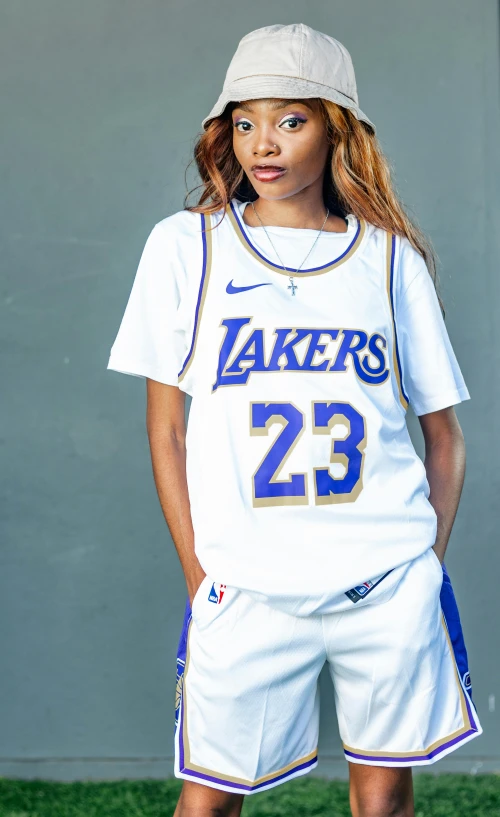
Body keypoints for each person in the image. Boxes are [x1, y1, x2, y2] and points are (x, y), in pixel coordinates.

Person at [107, 22, 482, 817]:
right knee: (208, 802)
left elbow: (444, 437)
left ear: (335, 128)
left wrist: (422, 567)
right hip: (247, 584)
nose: (262, 144)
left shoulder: (388, 260)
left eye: (290, 119)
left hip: (382, 581)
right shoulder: (188, 248)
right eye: (245, 121)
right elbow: (165, 431)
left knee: (383, 801)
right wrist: (200, 573)